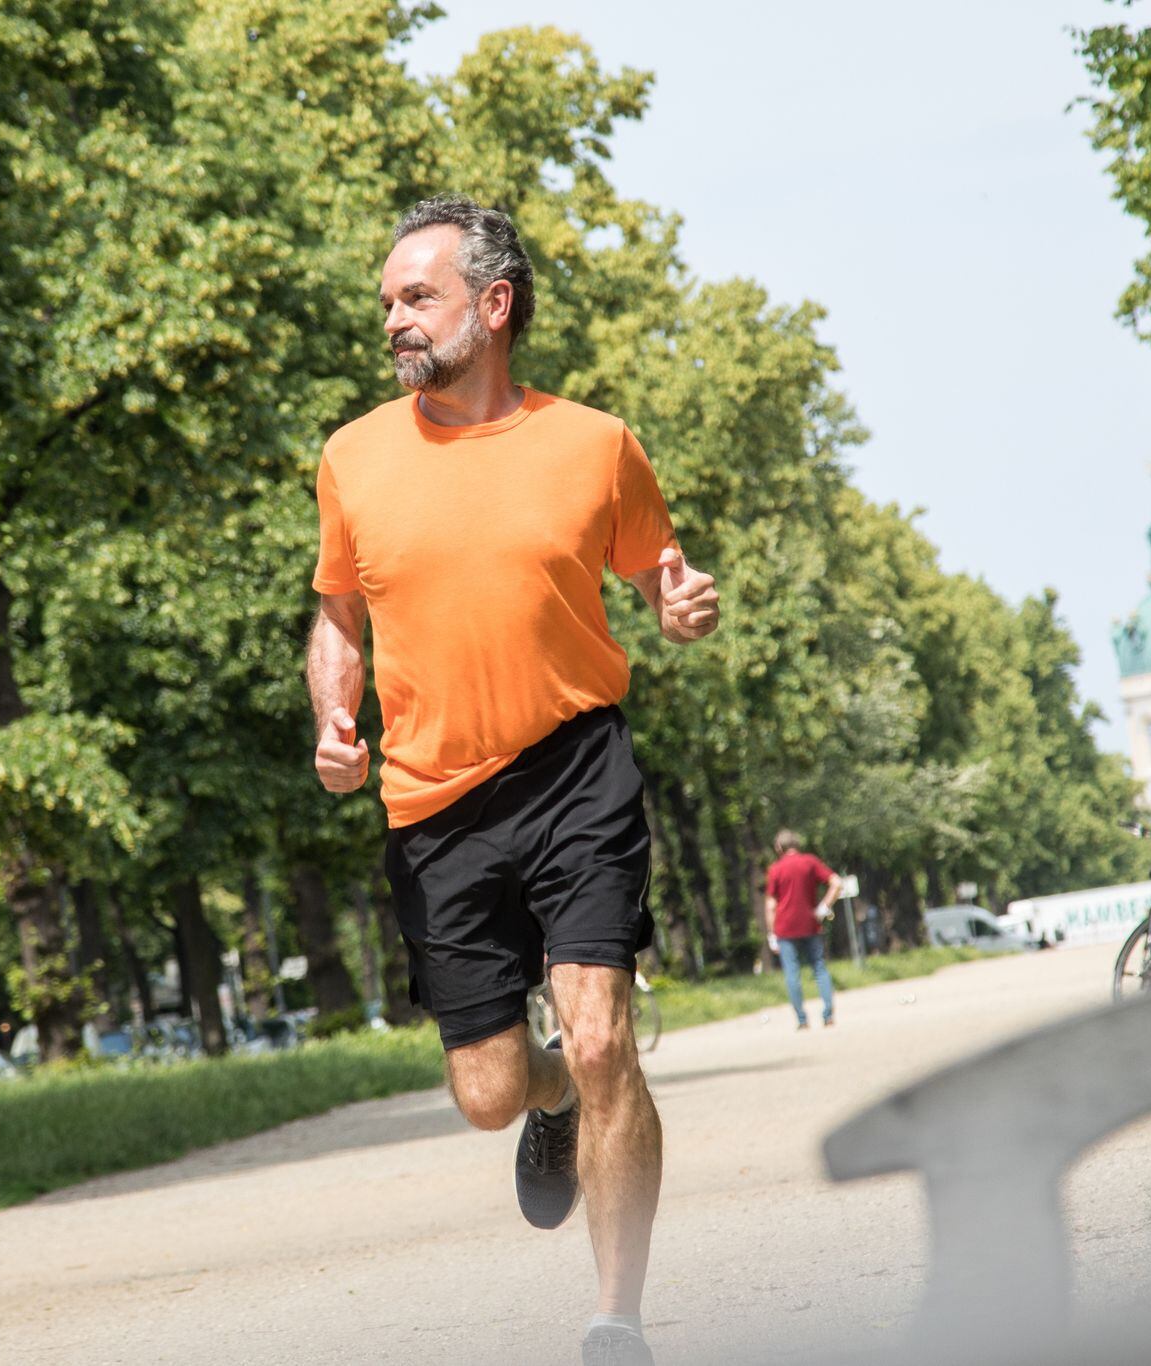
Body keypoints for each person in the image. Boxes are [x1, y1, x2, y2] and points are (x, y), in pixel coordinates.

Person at [305, 195, 720, 1366]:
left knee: (600, 1037)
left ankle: (616, 1320)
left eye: (415, 297)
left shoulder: (594, 444)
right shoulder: (353, 457)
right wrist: (333, 718)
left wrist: (681, 605)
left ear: (492, 306)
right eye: (386, 301)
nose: (392, 319)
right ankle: (548, 1101)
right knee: (488, 1090)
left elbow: (661, 576)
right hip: (433, 802)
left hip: (575, 768)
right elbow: (337, 615)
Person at [763, 831, 841, 1029]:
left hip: (784, 928)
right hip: (810, 923)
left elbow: (771, 905)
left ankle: (802, 1020)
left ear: (778, 848)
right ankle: (828, 1015)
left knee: (792, 974)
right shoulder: (810, 862)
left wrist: (771, 934)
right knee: (819, 968)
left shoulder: (775, 869)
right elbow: (836, 882)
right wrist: (823, 908)